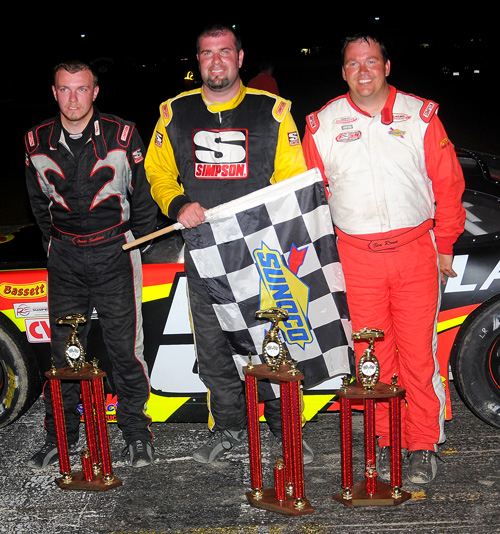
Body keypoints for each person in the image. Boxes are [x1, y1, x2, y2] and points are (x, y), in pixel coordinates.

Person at [145, 24, 312, 464]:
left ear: (239, 58)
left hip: (261, 252)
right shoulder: (173, 112)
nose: (215, 61)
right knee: (214, 348)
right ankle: (230, 428)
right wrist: (177, 204)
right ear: (197, 61)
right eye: (207, 53)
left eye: (224, 52)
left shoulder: (273, 111)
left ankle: (285, 430)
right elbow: (157, 173)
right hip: (202, 250)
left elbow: (293, 179)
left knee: (272, 343)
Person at [302, 34, 465, 483]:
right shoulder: (321, 124)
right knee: (371, 357)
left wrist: (445, 245)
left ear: (387, 66)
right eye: (354, 64)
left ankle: (423, 443)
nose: (364, 71)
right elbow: (309, 199)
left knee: (419, 357)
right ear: (343, 72)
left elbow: (448, 184)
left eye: (371, 61)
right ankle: (384, 438)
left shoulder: (421, 114)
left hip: (415, 252)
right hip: (355, 259)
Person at [25, 60, 158, 469]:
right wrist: (56, 244)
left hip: (115, 252)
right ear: (54, 92)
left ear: (95, 91)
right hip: (65, 258)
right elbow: (38, 204)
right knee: (64, 353)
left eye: (81, 89)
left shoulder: (122, 133)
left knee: (125, 350)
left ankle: (136, 433)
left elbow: (144, 198)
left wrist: (134, 242)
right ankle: (60, 438)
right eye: (65, 89)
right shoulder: (35, 140)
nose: (73, 98)